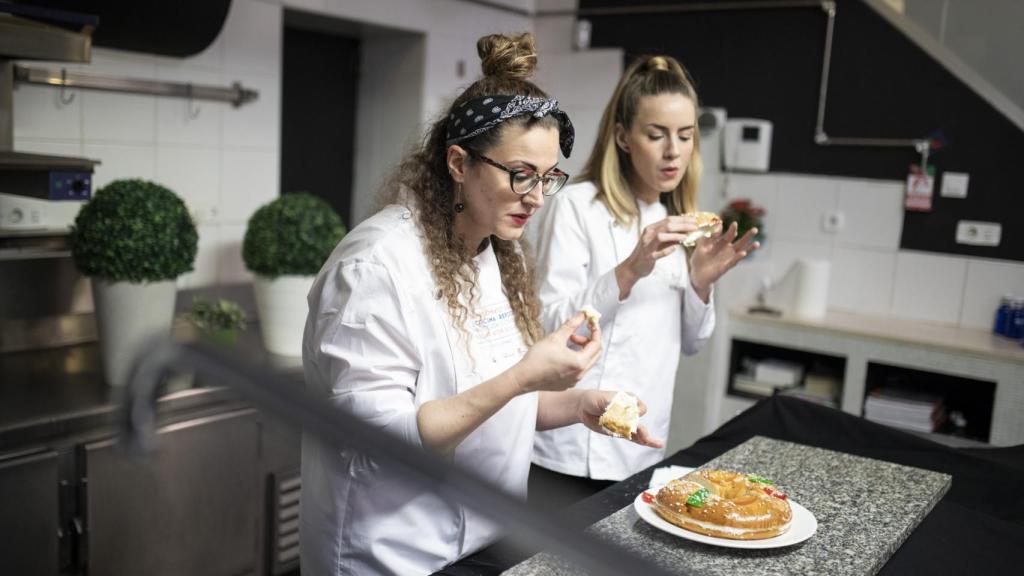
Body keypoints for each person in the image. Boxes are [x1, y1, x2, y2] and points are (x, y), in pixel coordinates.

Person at [299, 33, 662, 576]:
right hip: (392, 554)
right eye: (520, 174)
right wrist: (523, 376)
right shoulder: (375, 267)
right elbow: (375, 442)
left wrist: (579, 406)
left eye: (547, 178)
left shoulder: (489, 254)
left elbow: (495, 409)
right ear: (458, 162)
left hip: (483, 541)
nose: (536, 197)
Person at [527, 54, 759, 503]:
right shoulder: (577, 206)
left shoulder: (679, 222)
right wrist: (630, 270)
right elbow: (548, 324)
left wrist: (700, 285)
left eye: (685, 136)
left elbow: (690, 343)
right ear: (623, 137)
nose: (673, 150)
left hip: (641, 451)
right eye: (657, 135)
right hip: (569, 450)